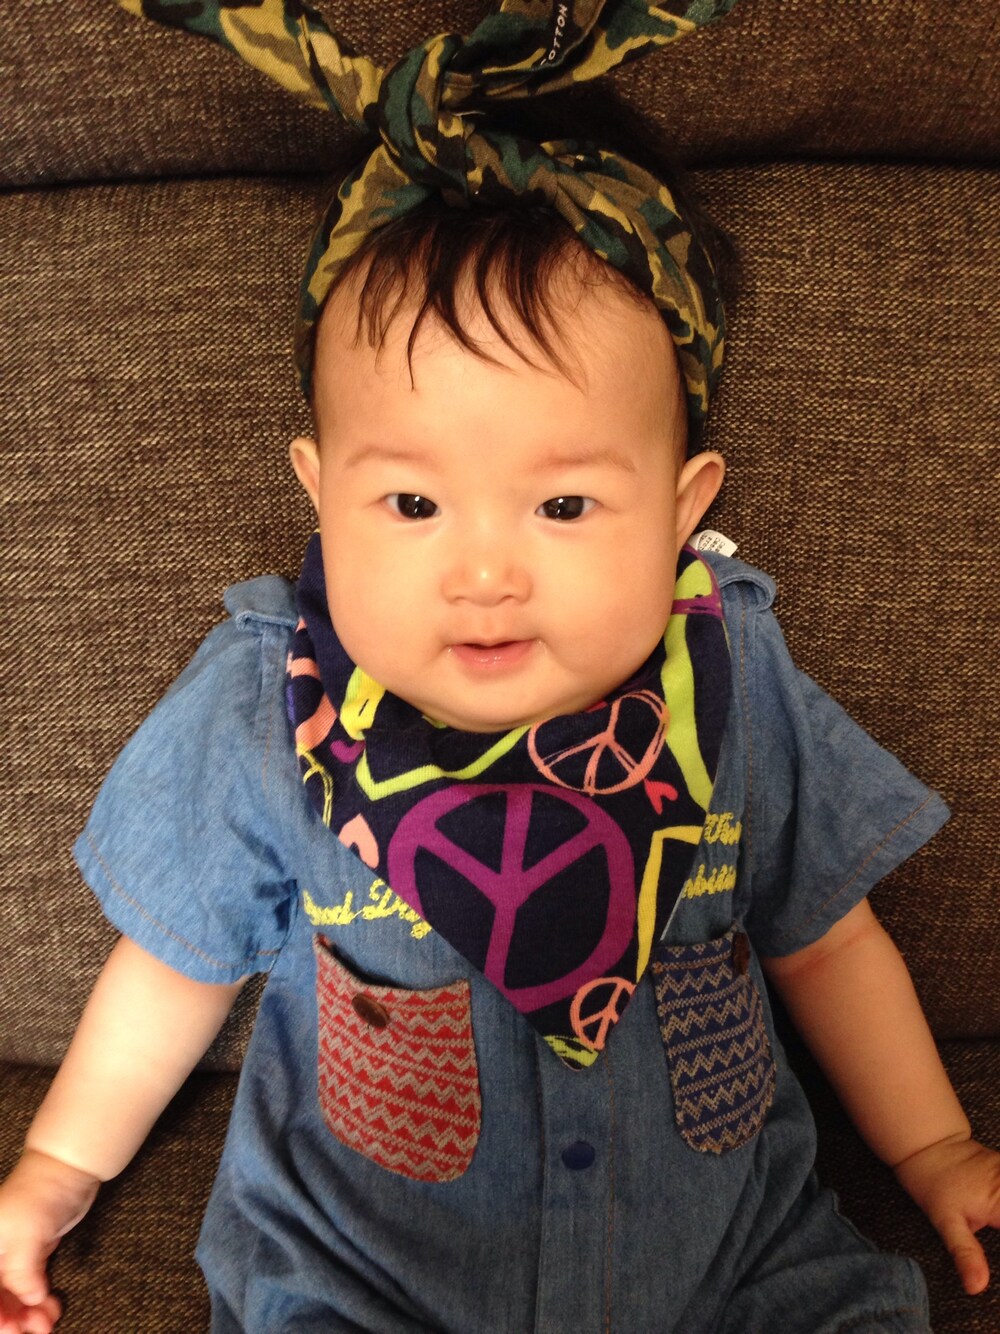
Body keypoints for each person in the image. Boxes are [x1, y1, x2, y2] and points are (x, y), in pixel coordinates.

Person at [1, 2, 998, 1332]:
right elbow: (174, 965)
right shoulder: (264, 703)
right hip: (366, 1278)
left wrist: (935, 1147)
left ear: (682, 509)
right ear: (321, 493)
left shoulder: (734, 677)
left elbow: (825, 938)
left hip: (736, 1265)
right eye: (413, 504)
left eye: (565, 506)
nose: (485, 573)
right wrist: (56, 1170)